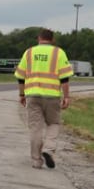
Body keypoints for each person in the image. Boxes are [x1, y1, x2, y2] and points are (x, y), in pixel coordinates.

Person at [15, 28, 73, 169]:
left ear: (38, 38)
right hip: (52, 96)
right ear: (52, 40)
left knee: (35, 128)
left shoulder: (29, 52)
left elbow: (20, 77)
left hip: (32, 95)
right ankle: (48, 148)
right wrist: (66, 97)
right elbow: (64, 78)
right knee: (53, 123)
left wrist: (22, 94)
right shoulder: (58, 53)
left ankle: (36, 161)